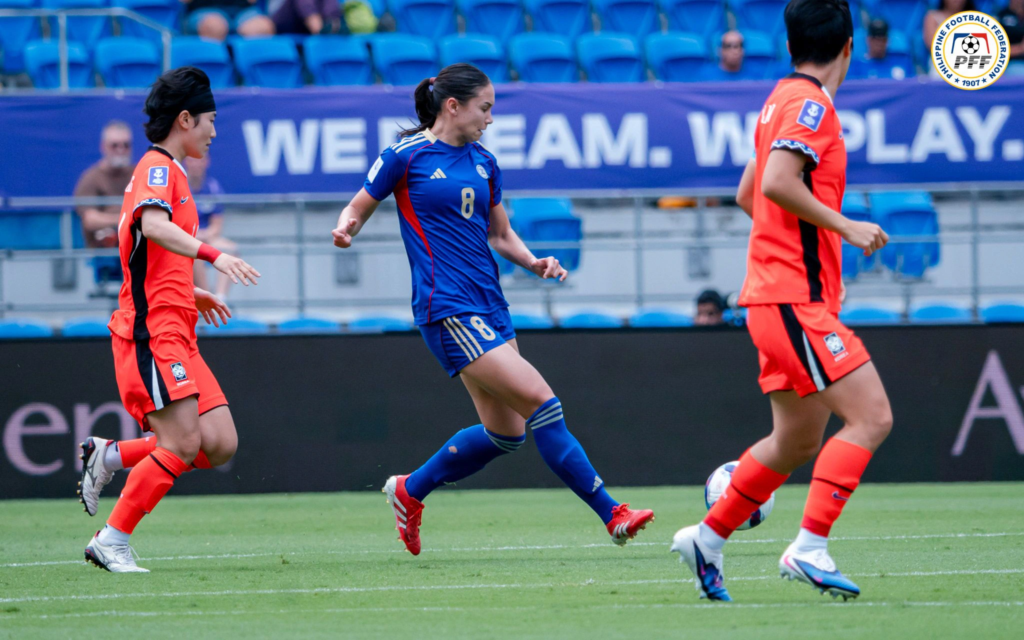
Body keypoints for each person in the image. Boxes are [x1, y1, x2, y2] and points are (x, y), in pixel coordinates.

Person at [332, 63, 655, 556]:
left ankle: (410, 489)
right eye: (485, 108)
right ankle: (612, 512)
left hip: (490, 305)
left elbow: (500, 234)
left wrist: (534, 261)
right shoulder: (405, 154)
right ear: (452, 106)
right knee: (543, 402)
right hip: (447, 306)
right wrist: (346, 228)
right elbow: (359, 204)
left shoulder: (485, 162)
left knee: (507, 433)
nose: (490, 118)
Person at [671, 0, 892, 602]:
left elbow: (751, 191)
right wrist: (842, 227)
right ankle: (809, 547)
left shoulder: (779, 100)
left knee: (795, 441)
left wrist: (792, 238)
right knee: (871, 417)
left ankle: (707, 539)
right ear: (849, 45)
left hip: (775, 298)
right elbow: (771, 185)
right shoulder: (814, 105)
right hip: (796, 301)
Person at [77, 67, 261, 573]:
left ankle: (109, 457)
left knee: (219, 442)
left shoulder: (172, 172)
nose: (214, 131)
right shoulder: (159, 169)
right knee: (181, 442)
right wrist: (213, 256)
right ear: (185, 119)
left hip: (178, 324)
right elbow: (153, 227)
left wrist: (191, 288)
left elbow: (148, 252)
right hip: (151, 332)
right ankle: (111, 539)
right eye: (210, 121)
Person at [73, 121, 135, 288]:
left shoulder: (140, 174)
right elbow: (90, 220)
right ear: (103, 147)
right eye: (115, 145)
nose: (120, 150)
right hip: (104, 250)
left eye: (126, 145)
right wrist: (127, 218)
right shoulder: (90, 178)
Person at [185, 153, 237, 299]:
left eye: (199, 161)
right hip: (185, 238)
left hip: (207, 236)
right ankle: (207, 298)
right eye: (192, 160)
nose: (196, 165)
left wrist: (204, 235)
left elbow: (216, 226)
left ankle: (221, 297)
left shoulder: (213, 188)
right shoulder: (179, 186)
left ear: (206, 162)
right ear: (186, 162)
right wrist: (194, 236)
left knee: (229, 249)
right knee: (196, 252)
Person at [847, 18, 913, 80]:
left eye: (882, 40)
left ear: (887, 41)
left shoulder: (902, 62)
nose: (879, 44)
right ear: (868, 40)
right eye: (875, 40)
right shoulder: (857, 67)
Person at [182, 0, 275, 41]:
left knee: (263, 28)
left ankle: (251, 79)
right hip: (205, 10)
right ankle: (215, 76)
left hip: (243, 10)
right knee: (214, 26)